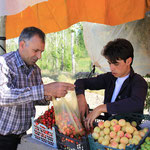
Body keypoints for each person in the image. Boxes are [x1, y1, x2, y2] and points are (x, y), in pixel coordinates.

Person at [0, 26, 74, 150]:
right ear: (22, 45)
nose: (39, 56)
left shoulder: (35, 70)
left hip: (23, 135)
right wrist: (44, 90)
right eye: (36, 50)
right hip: (3, 138)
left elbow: (35, 98)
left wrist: (49, 96)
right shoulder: (4, 63)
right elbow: (3, 97)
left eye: (41, 52)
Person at [74, 38, 148, 130]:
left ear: (128, 61)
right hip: (108, 130)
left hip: (129, 134)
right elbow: (80, 82)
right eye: (109, 63)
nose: (111, 68)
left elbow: (136, 103)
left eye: (116, 64)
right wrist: (80, 97)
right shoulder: (109, 78)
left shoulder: (138, 81)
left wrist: (102, 108)